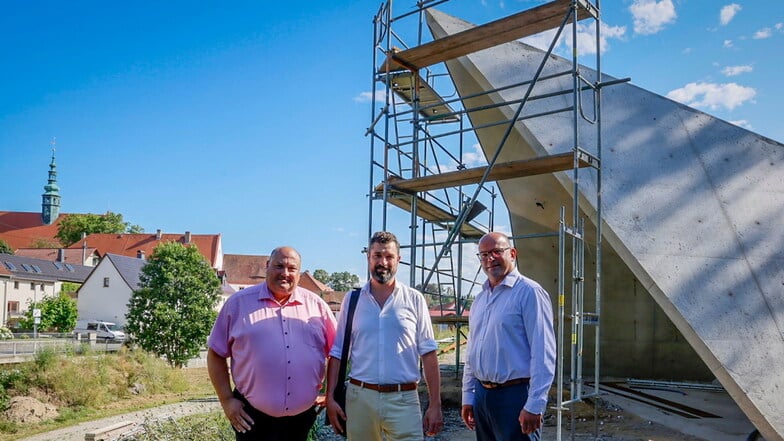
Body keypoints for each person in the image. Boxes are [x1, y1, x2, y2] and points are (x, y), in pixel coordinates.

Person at [207, 246, 337, 441]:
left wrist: (331, 394)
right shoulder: (237, 304)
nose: (285, 273)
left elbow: (337, 353)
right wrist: (227, 401)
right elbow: (216, 353)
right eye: (279, 266)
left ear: (299, 273)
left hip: (301, 420)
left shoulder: (317, 307)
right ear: (267, 266)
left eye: (292, 268)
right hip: (251, 418)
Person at [326, 231, 444, 440]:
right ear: (368, 258)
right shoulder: (352, 300)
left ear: (398, 259)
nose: (383, 262)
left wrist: (435, 404)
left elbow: (428, 353)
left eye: (389, 256)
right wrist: (330, 398)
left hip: (404, 399)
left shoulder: (414, 299)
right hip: (360, 399)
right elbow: (337, 352)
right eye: (377, 255)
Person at [461, 232, 556, 441]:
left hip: (515, 396)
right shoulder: (480, 299)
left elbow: (543, 353)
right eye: (484, 255)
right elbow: (472, 351)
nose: (490, 258)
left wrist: (534, 405)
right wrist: (468, 396)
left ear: (512, 253)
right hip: (483, 395)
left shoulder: (529, 292)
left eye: (496, 251)